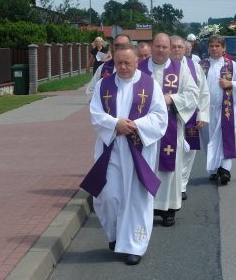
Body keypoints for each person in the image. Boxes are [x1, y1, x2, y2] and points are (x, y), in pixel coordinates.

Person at [80, 45, 167, 265]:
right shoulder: (104, 85)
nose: (124, 67)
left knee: (136, 199)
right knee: (108, 196)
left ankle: (134, 247)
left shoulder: (149, 84)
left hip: (139, 152)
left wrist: (135, 125)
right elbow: (96, 114)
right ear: (114, 62)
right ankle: (115, 236)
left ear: (137, 61)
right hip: (112, 150)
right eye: (119, 63)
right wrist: (115, 124)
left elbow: (159, 116)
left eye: (128, 62)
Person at [138, 33, 199, 227]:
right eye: (158, 46)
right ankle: (146, 207)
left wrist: (171, 99)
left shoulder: (180, 69)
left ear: (170, 48)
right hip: (144, 130)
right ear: (152, 46)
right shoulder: (139, 68)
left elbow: (192, 94)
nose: (161, 50)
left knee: (168, 167)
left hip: (170, 129)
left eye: (165, 47)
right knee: (146, 166)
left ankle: (168, 209)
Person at [200, 35, 236, 184]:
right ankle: (214, 169)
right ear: (208, 48)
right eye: (211, 46)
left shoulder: (232, 65)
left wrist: (230, 83)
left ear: (223, 48)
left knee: (226, 138)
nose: (214, 49)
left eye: (217, 46)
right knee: (209, 140)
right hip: (207, 110)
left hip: (226, 109)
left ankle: (225, 169)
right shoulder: (201, 66)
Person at [170, 36, 210, 201]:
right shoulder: (163, 68)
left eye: (181, 47)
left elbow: (203, 92)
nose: (178, 50)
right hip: (170, 116)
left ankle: (182, 185)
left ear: (188, 50)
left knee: (189, 152)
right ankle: (169, 184)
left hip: (191, 116)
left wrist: (202, 113)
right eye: (175, 47)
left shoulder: (194, 67)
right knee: (169, 151)